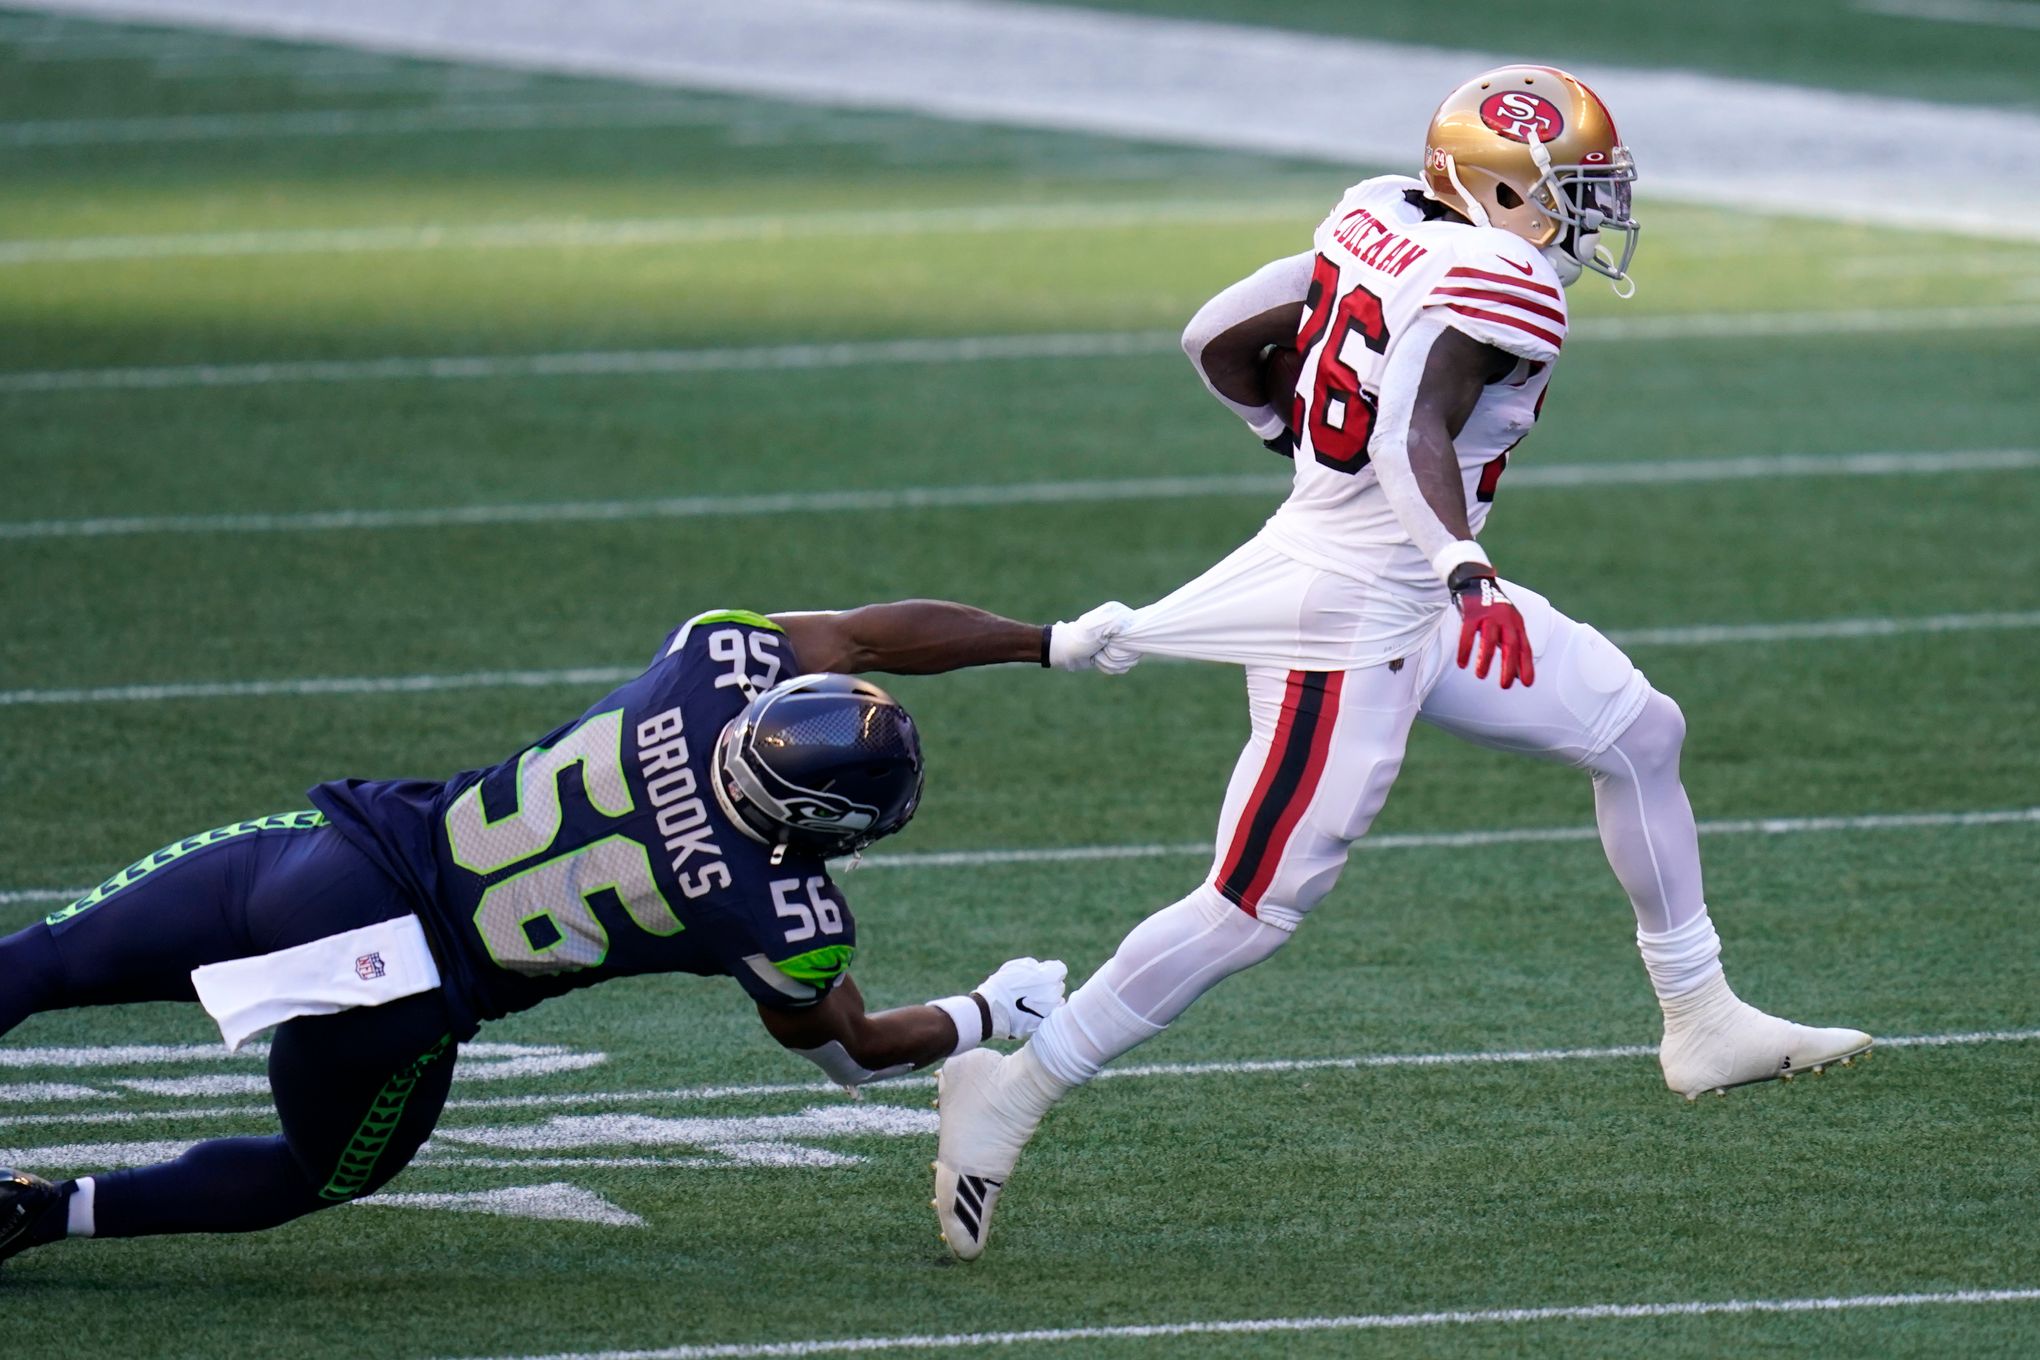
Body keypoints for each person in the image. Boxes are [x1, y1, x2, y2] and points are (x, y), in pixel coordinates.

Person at [930, 65, 1871, 1261]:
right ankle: (1010, 1089)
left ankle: (1701, 1016)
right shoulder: (1511, 278)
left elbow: (1215, 334)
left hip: (1405, 585)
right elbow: (1404, 426)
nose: (1590, 212)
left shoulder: (1379, 210)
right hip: (1357, 612)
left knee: (1639, 732)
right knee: (1253, 903)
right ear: (1494, 189)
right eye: (1568, 190)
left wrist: (1289, 438)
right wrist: (1457, 564)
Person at [0, 598, 1129, 1264]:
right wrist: (987, 1009)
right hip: (398, 988)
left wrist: (1047, 639)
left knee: (39, 961)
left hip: (330, 853)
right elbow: (855, 1053)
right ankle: (41, 1215)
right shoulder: (777, 912)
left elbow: (867, 635)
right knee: (313, 1172)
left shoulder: (711, 661)